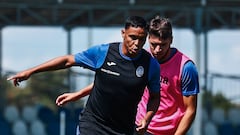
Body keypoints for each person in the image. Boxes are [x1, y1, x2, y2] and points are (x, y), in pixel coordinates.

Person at [7, 16, 161, 135]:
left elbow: (154, 97)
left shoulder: (150, 65)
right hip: (92, 125)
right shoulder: (103, 53)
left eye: (141, 39)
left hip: (123, 129)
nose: (137, 43)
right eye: (132, 37)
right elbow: (67, 60)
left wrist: (147, 118)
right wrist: (30, 71)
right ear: (123, 33)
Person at [56, 15, 199, 135]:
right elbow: (112, 79)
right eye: (153, 44)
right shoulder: (142, 58)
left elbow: (190, 110)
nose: (157, 50)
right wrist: (79, 94)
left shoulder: (186, 67)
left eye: (163, 45)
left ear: (171, 41)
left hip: (167, 132)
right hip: (138, 127)